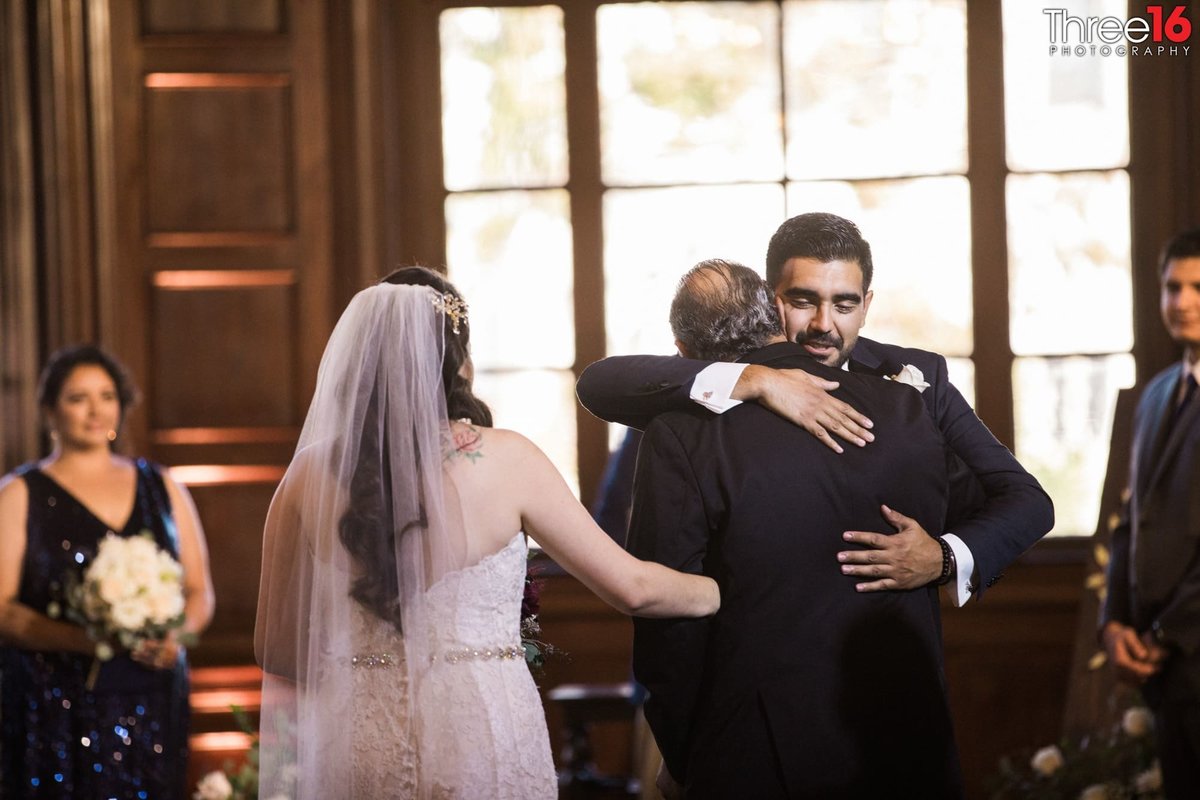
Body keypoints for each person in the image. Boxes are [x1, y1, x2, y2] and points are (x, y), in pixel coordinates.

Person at [253, 266, 720, 800]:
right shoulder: (507, 458)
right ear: (460, 361)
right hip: (479, 734)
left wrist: (371, 657)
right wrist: (724, 588)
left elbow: (276, 649)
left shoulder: (306, 479)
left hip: (361, 743)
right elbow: (632, 587)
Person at [577, 212, 1053, 606]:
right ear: (769, 298)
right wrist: (755, 379)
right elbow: (601, 382)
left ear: (866, 305)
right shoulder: (723, 378)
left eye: (844, 305)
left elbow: (1029, 504)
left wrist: (945, 560)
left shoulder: (919, 378)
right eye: (803, 301)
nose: (823, 325)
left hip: (892, 649)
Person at [631, 260, 962, 797]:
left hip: (752, 750)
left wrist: (683, 750)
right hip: (906, 741)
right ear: (774, 318)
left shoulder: (681, 437)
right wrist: (948, 558)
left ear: (681, 351)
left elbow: (669, 626)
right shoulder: (905, 409)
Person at [0, 344, 215, 799]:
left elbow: (199, 591)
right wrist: (85, 641)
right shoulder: (20, 493)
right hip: (52, 702)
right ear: (50, 411)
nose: (95, 410)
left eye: (107, 395)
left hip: (151, 694)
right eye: (78, 398)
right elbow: (3, 610)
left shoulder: (162, 487)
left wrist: (176, 638)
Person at [1101, 226, 1200, 798]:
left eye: (1195, 287)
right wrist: (1114, 624)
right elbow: (1130, 524)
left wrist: (1164, 634)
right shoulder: (1158, 393)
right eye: (1171, 287)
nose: (1181, 301)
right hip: (1160, 675)